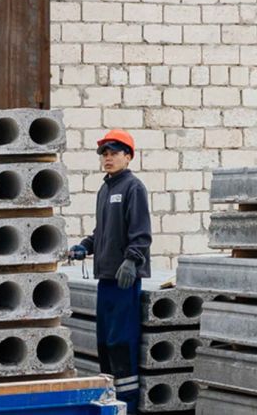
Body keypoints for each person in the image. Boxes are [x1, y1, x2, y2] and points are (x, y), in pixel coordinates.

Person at [69, 130, 152, 412]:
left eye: (114, 153)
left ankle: (126, 405)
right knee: (104, 343)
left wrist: (132, 260)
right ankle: (110, 400)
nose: (108, 158)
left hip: (124, 282)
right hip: (105, 279)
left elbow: (141, 233)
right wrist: (84, 246)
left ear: (128, 156)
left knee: (120, 343)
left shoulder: (133, 188)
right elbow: (102, 233)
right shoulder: (106, 190)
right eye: (104, 153)